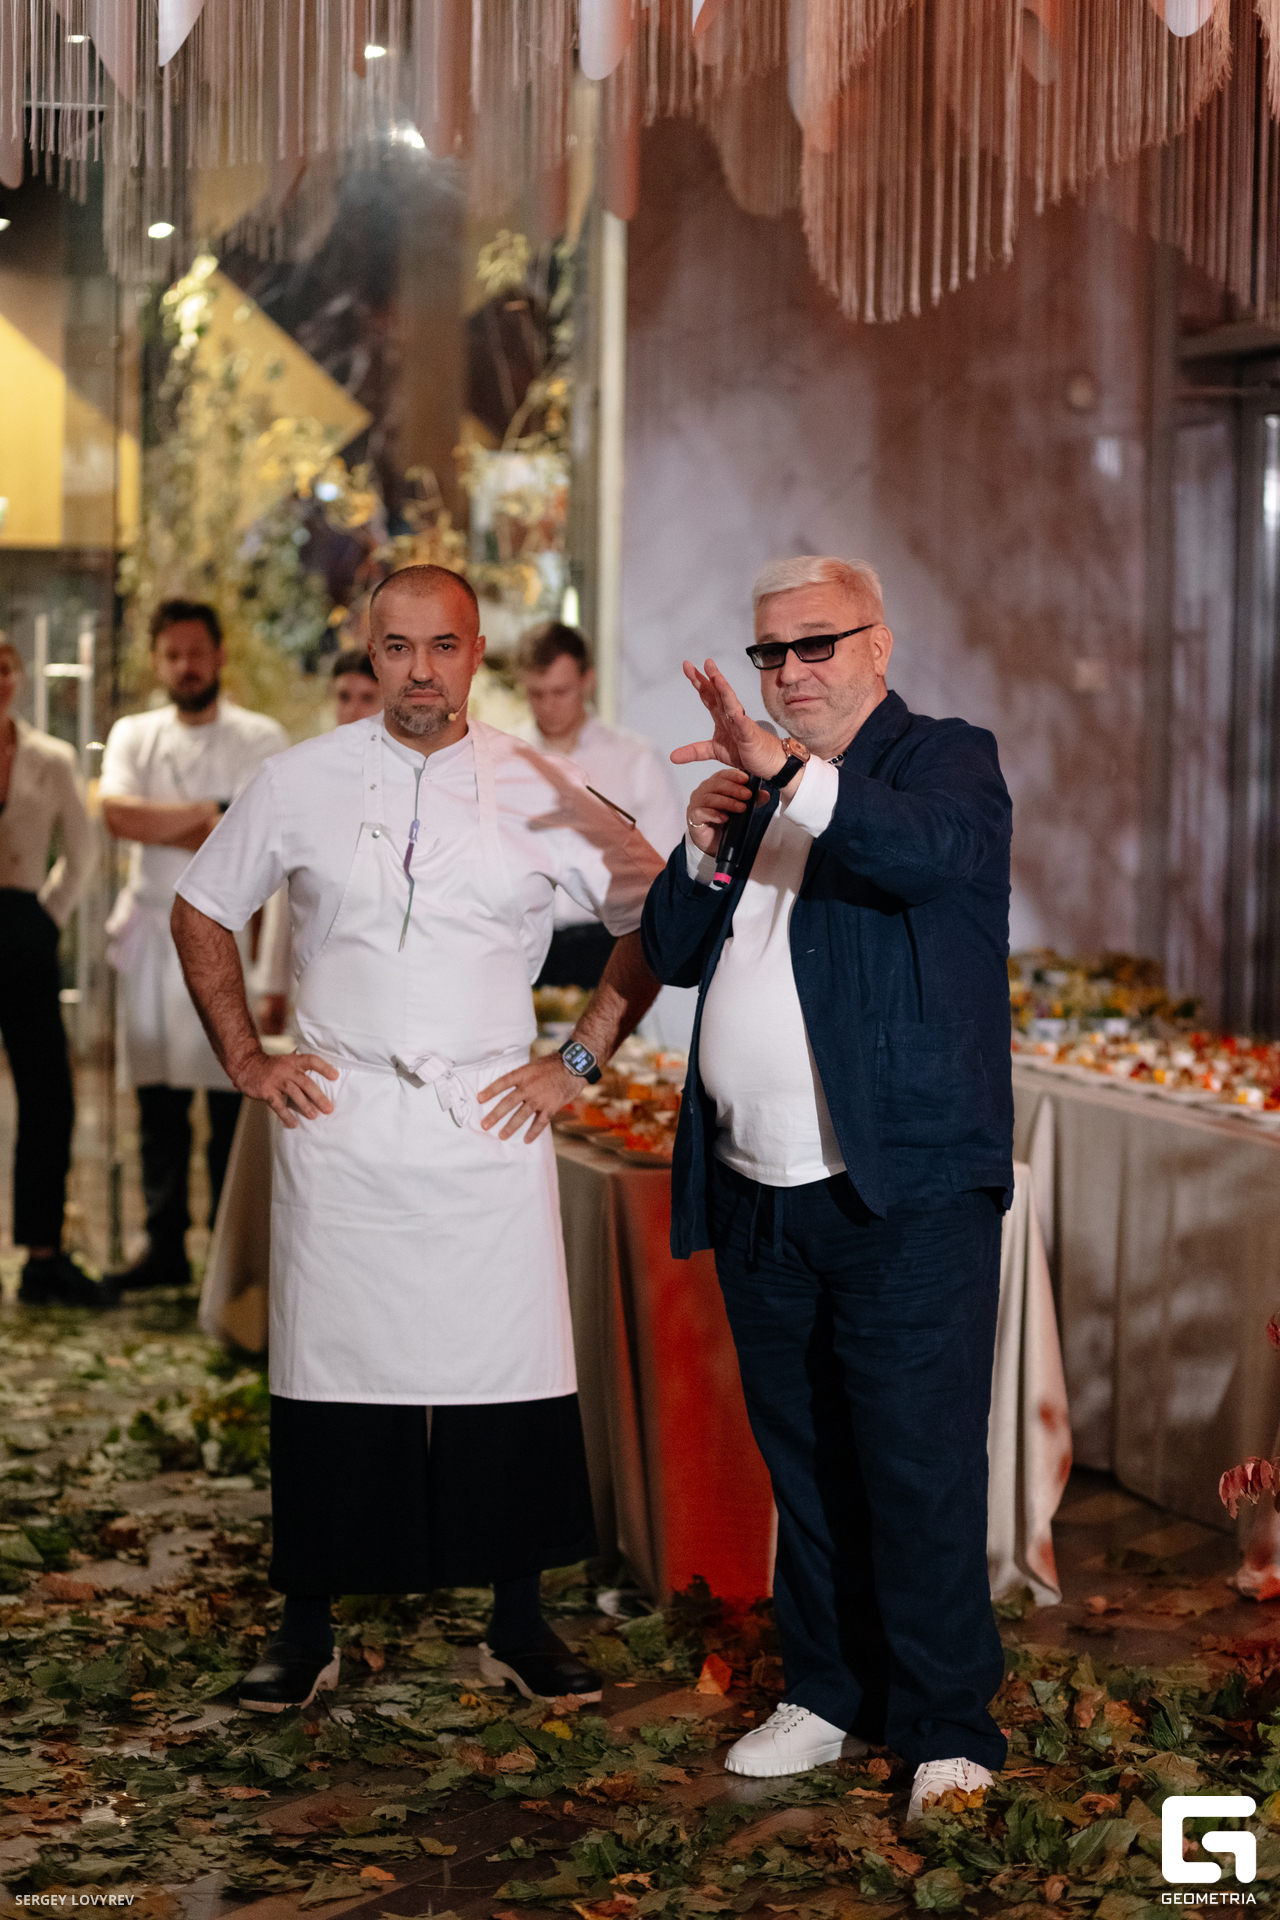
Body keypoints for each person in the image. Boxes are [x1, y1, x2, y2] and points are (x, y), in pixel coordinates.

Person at [169, 563, 664, 1711]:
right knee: (327, 1369)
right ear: (370, 652)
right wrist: (246, 1059)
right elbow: (201, 908)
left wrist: (578, 1059)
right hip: (340, 1115)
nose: (421, 672)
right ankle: (306, 1626)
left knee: (511, 1367)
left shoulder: (542, 784)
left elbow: (655, 912)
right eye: (398, 647)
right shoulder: (296, 780)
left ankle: (518, 1621)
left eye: (443, 646)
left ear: (476, 653)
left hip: (488, 1116)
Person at [640, 556, 1014, 1820]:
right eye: (769, 651)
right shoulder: (756, 795)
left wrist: (788, 776)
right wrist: (700, 849)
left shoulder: (942, 761)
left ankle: (948, 1725)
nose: (790, 669)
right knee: (803, 1467)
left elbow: (920, 855)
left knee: (915, 1468)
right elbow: (674, 953)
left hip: (901, 1194)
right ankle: (828, 1690)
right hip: (759, 1194)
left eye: (817, 643)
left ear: (877, 646)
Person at [100, 600, 287, 1291]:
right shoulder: (134, 733)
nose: (185, 667)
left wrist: (172, 822)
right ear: (157, 661)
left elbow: (255, 835)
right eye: (172, 655)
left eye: (196, 653)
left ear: (219, 655)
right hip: (152, 934)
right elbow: (117, 814)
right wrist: (210, 814)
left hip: (229, 931)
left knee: (231, 1097)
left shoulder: (258, 736)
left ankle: (230, 1253)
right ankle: (164, 1243)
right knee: (157, 1101)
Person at [0, 639, 107, 1306]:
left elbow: (84, 849)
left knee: (47, 1094)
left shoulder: (51, 756)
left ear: (16, 676)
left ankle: (43, 1256)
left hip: (24, 924)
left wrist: (50, 915)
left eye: (3, 668)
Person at [516, 621, 683, 988]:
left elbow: (666, 865)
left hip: (611, 942)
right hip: (522, 941)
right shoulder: (503, 761)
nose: (548, 706)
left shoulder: (634, 758)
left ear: (587, 680)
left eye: (560, 692)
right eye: (536, 694)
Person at [254, 649, 383, 1037]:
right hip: (318, 970)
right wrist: (273, 986)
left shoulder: (413, 774)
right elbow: (285, 888)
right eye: (344, 697)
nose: (353, 710)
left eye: (367, 698)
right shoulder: (308, 776)